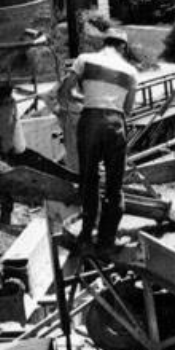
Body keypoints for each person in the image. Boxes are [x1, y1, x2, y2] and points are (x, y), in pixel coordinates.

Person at [67, 28, 141, 251]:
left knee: (88, 181)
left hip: (89, 120)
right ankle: (107, 240)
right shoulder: (130, 71)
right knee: (114, 186)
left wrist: (83, 102)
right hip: (115, 122)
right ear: (122, 47)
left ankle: (86, 234)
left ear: (105, 43)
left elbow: (64, 92)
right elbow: (127, 109)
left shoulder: (84, 59)